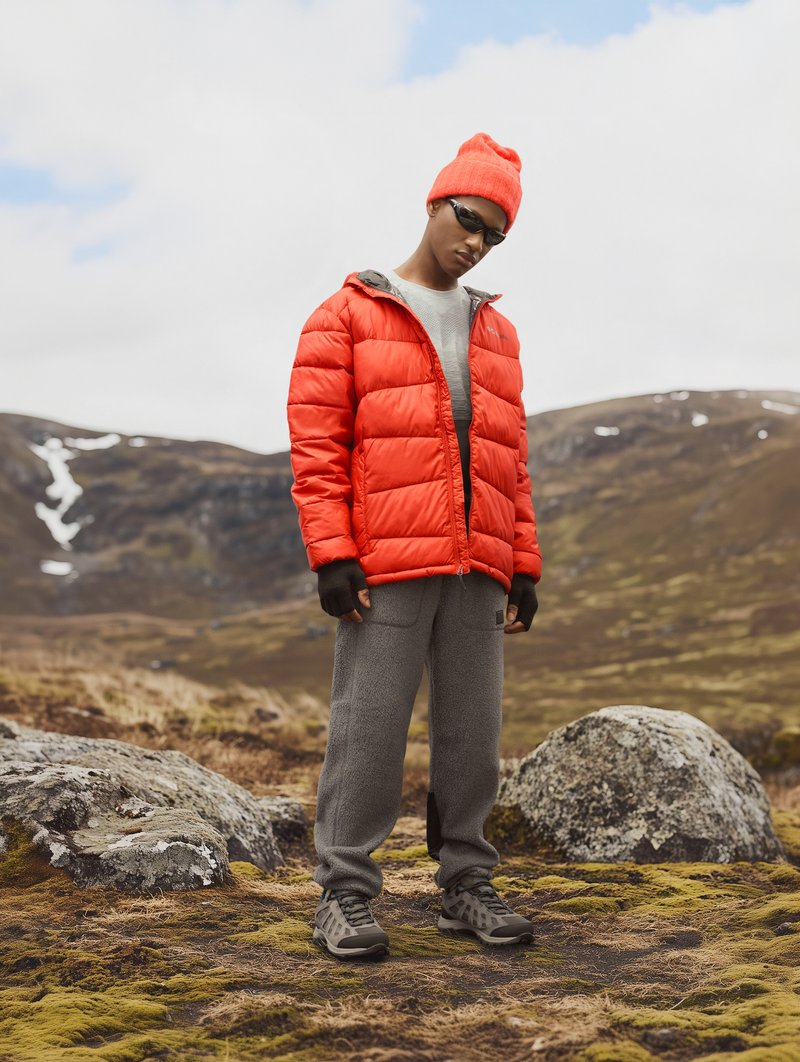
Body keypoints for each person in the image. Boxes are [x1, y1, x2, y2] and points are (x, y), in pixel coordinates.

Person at [287, 132, 542, 959]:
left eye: (494, 234)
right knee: (369, 730)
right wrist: (331, 552)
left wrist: (523, 565)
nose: (475, 242)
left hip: (479, 564)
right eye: (469, 219)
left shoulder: (495, 331)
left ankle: (466, 883)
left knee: (474, 733)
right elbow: (317, 448)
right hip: (387, 562)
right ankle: (344, 894)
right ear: (435, 203)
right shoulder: (349, 312)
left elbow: (512, 460)